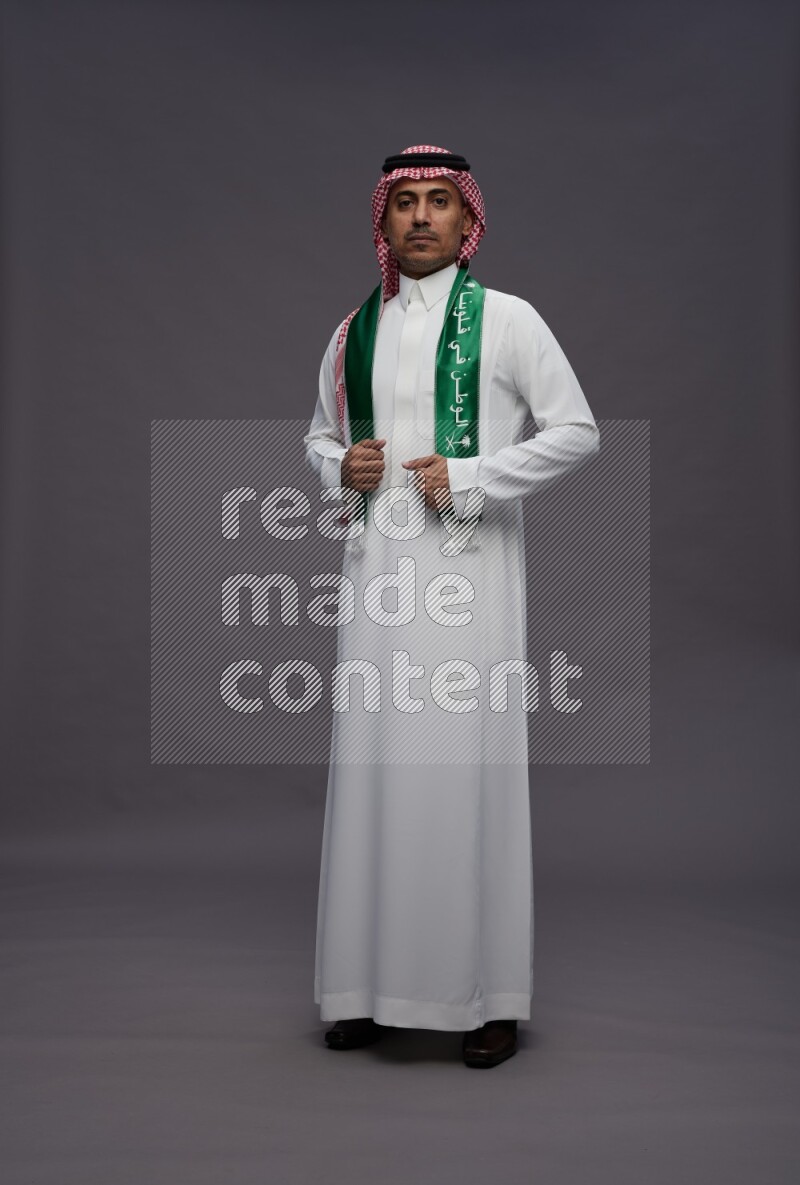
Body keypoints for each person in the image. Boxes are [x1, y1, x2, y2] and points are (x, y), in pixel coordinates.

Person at [304, 145, 599, 1068]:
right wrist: (334, 466)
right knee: (373, 772)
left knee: (463, 775)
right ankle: (361, 987)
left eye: (439, 202)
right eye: (405, 204)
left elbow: (576, 432)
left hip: (469, 583)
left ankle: (486, 994)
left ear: (469, 223)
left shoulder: (508, 321)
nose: (422, 217)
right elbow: (319, 434)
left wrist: (472, 475)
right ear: (383, 224)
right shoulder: (354, 330)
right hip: (377, 581)